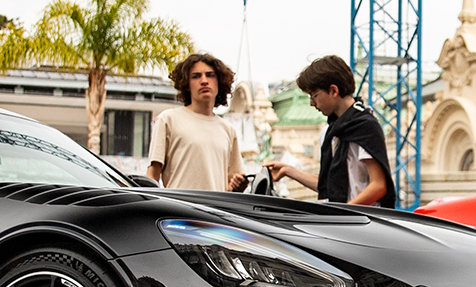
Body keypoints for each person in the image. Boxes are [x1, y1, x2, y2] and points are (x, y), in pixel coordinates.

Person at [265, 54, 389, 206]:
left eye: (314, 95)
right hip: (341, 219)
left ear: (333, 90)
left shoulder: (365, 126)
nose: (311, 103)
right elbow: (328, 188)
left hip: (363, 221)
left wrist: (341, 213)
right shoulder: (330, 132)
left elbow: (378, 186)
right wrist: (287, 170)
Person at [146, 53, 247, 192]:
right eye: (196, 76)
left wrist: (237, 185)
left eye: (210, 75)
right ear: (187, 84)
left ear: (219, 82)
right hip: (179, 210)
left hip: (214, 212)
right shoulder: (168, 120)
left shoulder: (228, 130)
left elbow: (231, 186)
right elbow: (152, 175)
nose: (204, 81)